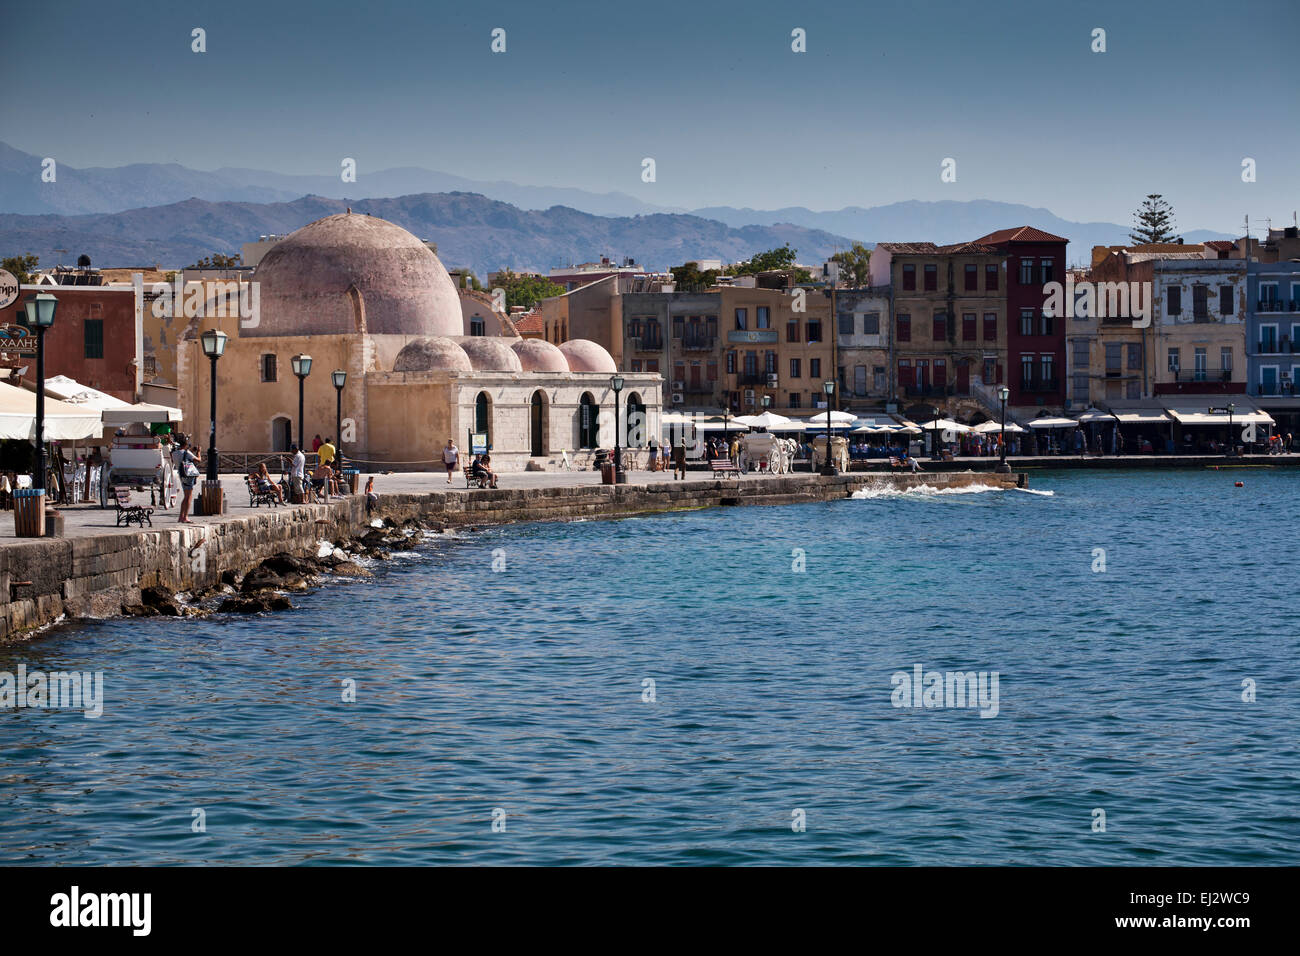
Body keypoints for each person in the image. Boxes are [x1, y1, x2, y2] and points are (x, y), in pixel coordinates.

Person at [172, 434, 200, 523]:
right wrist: (198, 452)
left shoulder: (174, 453)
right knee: (188, 497)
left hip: (181, 474)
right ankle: (185, 516)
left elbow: (183, 455)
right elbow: (198, 460)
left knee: (186, 496)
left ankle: (181, 516)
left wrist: (190, 451)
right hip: (188, 475)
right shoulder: (186, 453)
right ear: (186, 444)